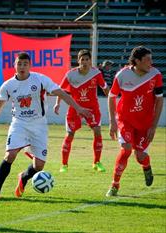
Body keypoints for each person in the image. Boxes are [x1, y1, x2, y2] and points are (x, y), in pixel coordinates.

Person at [0, 52, 91, 201]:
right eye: (19, 64)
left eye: (25, 64)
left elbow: (62, 93)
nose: (22, 67)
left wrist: (78, 108)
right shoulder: (8, 85)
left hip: (39, 125)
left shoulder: (40, 80)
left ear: (30, 66)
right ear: (14, 66)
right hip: (19, 124)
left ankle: (24, 177)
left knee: (39, 166)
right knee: (10, 155)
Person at [106, 46, 163, 197]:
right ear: (137, 61)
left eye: (151, 59)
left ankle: (146, 166)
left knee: (140, 156)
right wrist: (112, 121)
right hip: (125, 120)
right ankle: (114, 185)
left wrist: (153, 126)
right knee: (125, 149)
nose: (151, 63)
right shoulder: (122, 75)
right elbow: (111, 97)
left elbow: (159, 100)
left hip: (145, 123)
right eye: (147, 60)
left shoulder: (155, 75)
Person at [54, 49, 109, 173]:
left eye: (87, 59)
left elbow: (105, 88)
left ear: (90, 61)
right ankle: (64, 165)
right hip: (75, 109)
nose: (84, 62)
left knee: (97, 132)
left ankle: (97, 163)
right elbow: (60, 90)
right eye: (82, 59)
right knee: (70, 135)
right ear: (78, 61)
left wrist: (111, 99)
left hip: (92, 108)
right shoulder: (70, 74)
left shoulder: (96, 73)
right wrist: (57, 104)